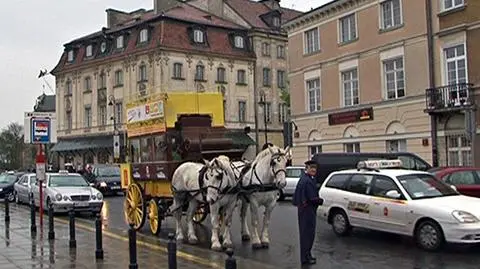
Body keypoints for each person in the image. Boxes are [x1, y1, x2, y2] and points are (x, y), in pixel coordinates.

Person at [292, 159, 323, 266]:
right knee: (307, 235)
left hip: (304, 210)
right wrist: (321, 201)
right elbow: (312, 198)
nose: (314, 170)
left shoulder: (305, 179)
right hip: (307, 211)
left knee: (307, 234)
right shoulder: (307, 181)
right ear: (307, 169)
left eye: (315, 168)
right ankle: (305, 258)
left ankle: (307, 255)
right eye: (312, 168)